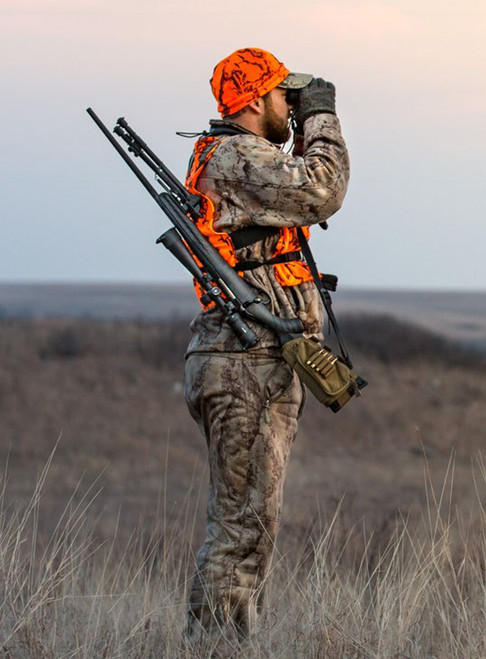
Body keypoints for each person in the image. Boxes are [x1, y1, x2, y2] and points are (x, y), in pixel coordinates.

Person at [182, 47, 350, 651]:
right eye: (287, 96)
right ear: (254, 101)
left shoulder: (240, 159)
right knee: (241, 528)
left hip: (259, 360)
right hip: (244, 362)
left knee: (252, 526)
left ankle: (233, 644)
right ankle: (215, 649)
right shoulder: (236, 157)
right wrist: (324, 117)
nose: (294, 107)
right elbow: (323, 188)